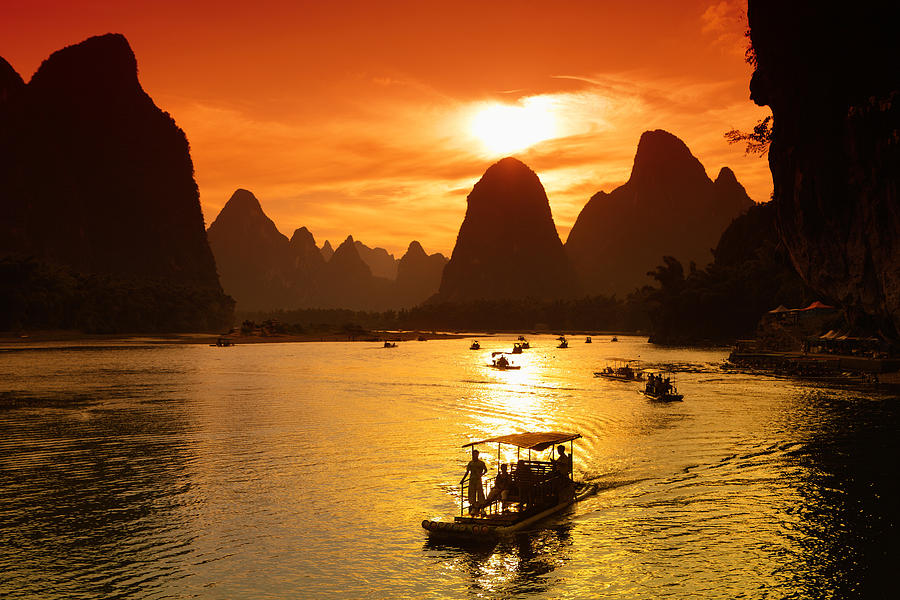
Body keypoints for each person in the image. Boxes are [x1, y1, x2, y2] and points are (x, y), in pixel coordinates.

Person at [461, 449, 487, 514]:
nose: (474, 456)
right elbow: (467, 472)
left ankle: (482, 508)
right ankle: (473, 508)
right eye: (473, 454)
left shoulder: (481, 463)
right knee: (472, 494)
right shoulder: (470, 463)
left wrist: (481, 474)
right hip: (472, 480)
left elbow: (485, 470)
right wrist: (463, 480)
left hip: (478, 479)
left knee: (480, 493)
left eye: (476, 454)